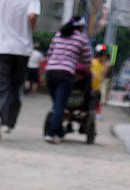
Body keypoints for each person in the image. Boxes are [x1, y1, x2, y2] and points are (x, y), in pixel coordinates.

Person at [0, 0, 41, 142]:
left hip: (3, 46)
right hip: (22, 48)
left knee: (2, 82)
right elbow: (32, 16)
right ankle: (8, 122)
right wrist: (30, 30)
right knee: (16, 85)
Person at [44, 16, 92, 144]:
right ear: (81, 27)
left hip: (50, 72)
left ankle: (58, 130)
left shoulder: (59, 35)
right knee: (60, 106)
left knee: (57, 105)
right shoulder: (81, 39)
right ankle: (51, 133)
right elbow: (87, 60)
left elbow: (49, 54)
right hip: (65, 74)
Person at [91, 44, 108, 120]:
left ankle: (98, 113)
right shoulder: (93, 62)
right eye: (104, 56)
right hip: (90, 86)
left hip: (97, 87)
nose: (105, 58)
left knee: (98, 101)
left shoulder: (103, 65)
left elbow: (103, 75)